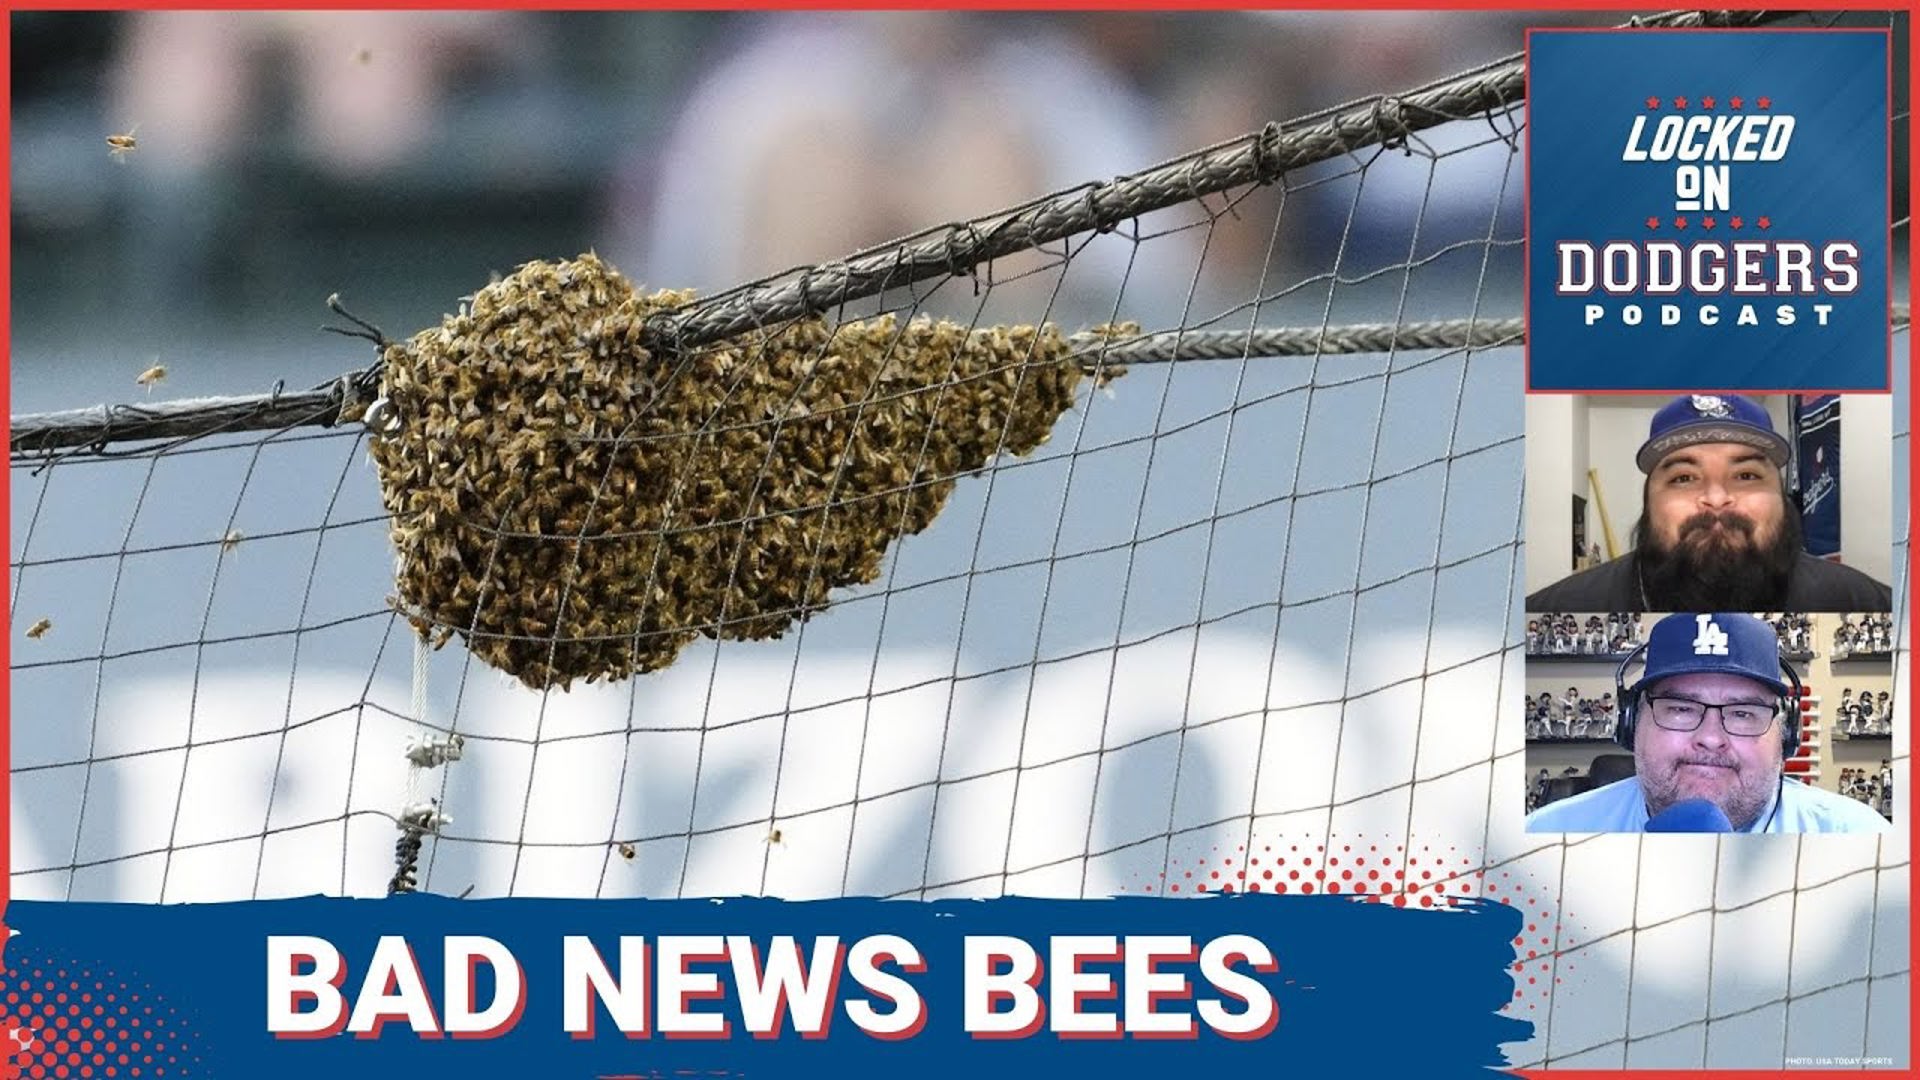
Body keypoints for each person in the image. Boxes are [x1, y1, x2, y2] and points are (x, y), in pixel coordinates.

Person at [1527, 611, 1890, 833]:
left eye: (1743, 712)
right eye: (1681, 708)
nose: (1711, 738)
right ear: (1630, 723)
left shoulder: (1861, 836)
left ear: (1787, 734)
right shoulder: (1546, 836)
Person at [1527, 395, 1892, 612]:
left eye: (1746, 475)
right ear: (1648, 500)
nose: (1717, 499)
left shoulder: (1868, 603)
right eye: (1684, 478)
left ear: (1782, 497)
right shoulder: (1554, 608)